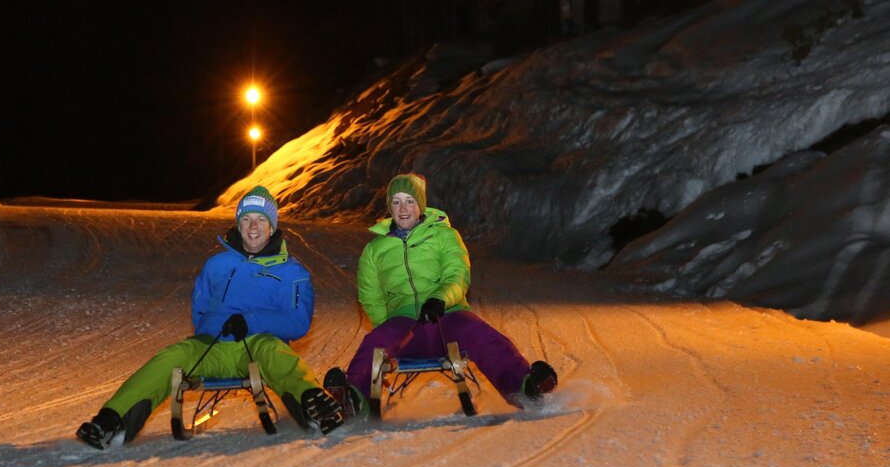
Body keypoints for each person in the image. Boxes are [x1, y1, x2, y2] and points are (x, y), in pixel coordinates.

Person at [77, 185, 345, 448]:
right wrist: (209, 331)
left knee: (277, 355)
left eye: (261, 220)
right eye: (247, 220)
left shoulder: (291, 273)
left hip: (258, 348)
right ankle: (112, 420)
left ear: (272, 227)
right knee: (171, 356)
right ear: (238, 225)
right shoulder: (216, 265)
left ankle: (314, 405)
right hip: (212, 346)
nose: (253, 227)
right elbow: (200, 308)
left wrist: (251, 321)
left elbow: (298, 322)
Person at [326, 173, 557, 415]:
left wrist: (440, 299)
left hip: (447, 317)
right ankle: (353, 398)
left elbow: (457, 274)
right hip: (405, 325)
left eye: (409, 201)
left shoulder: (445, 236)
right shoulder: (375, 250)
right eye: (396, 202)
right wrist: (389, 327)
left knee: (479, 333)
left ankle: (524, 387)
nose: (403, 208)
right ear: (389, 206)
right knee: (375, 343)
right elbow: (370, 296)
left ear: (420, 205)